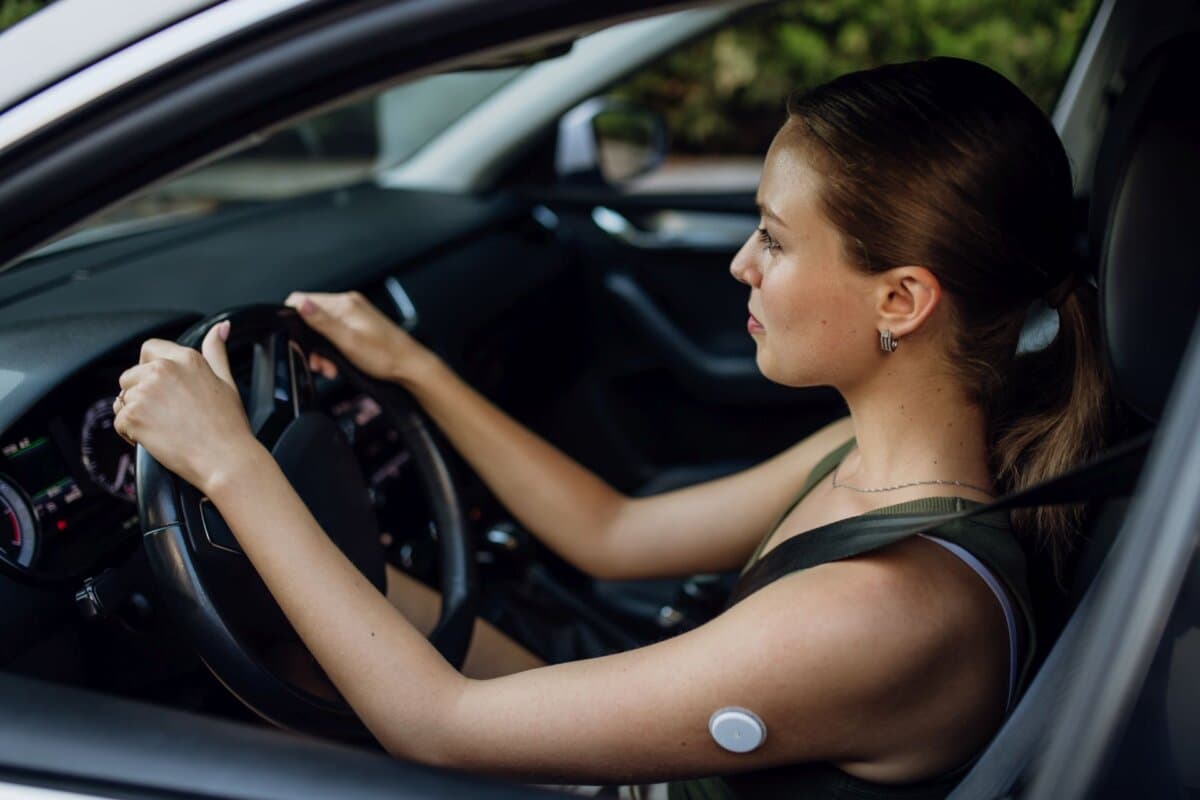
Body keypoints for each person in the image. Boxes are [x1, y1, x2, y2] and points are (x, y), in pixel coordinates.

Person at [111, 57, 1111, 799]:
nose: (741, 265)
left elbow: (436, 725)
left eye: (772, 235)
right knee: (295, 626)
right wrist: (416, 365)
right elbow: (614, 533)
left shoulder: (888, 608)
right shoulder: (872, 459)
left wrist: (233, 462)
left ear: (901, 298)